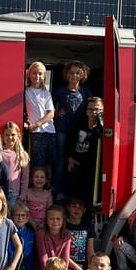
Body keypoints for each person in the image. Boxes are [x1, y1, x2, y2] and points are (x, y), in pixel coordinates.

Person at [52, 60, 93, 200]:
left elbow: (94, 106)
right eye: (71, 73)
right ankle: (58, 191)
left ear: (82, 75)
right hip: (62, 130)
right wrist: (56, 112)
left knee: (76, 161)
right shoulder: (60, 91)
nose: (74, 76)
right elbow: (47, 106)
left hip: (79, 132)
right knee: (60, 160)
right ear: (66, 74)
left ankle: (74, 192)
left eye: (77, 73)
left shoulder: (86, 91)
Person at [65, 97, 104, 207]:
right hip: (77, 163)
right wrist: (70, 158)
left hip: (94, 166)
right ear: (86, 111)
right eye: (91, 109)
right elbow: (69, 141)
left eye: (97, 109)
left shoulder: (103, 129)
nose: (94, 112)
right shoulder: (79, 124)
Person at [36, 205, 86, 270]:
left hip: (60, 269)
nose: (55, 221)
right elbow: (43, 258)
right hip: (44, 269)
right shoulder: (41, 233)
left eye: (58, 219)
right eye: (51, 219)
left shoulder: (67, 234)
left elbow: (65, 258)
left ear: (63, 220)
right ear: (46, 221)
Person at [23, 61, 55, 169]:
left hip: (50, 131)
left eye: (40, 73)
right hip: (36, 133)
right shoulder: (25, 91)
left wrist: (37, 124)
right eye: (34, 73)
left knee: (49, 163)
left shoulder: (46, 93)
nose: (37, 76)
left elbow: (51, 113)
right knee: (37, 163)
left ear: (44, 76)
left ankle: (48, 180)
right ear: (29, 74)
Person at [1, 121, 30, 208]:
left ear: (18, 136)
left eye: (13, 135)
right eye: (7, 135)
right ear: (2, 136)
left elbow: (25, 179)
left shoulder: (23, 155)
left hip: (14, 194)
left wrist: (22, 196)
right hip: (0, 192)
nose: (10, 137)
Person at [65, 197, 96, 270]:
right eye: (73, 206)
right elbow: (62, 252)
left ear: (84, 210)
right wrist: (77, 268)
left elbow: (90, 250)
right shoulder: (63, 226)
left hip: (84, 265)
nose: (77, 209)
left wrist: (91, 267)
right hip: (67, 265)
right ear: (68, 208)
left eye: (80, 207)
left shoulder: (88, 226)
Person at [25, 165, 53, 231]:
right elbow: (24, 210)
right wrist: (31, 222)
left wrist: (43, 223)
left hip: (44, 224)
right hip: (28, 223)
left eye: (42, 177)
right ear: (31, 179)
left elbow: (49, 211)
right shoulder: (27, 192)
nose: (39, 179)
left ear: (46, 180)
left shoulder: (48, 194)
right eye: (36, 177)